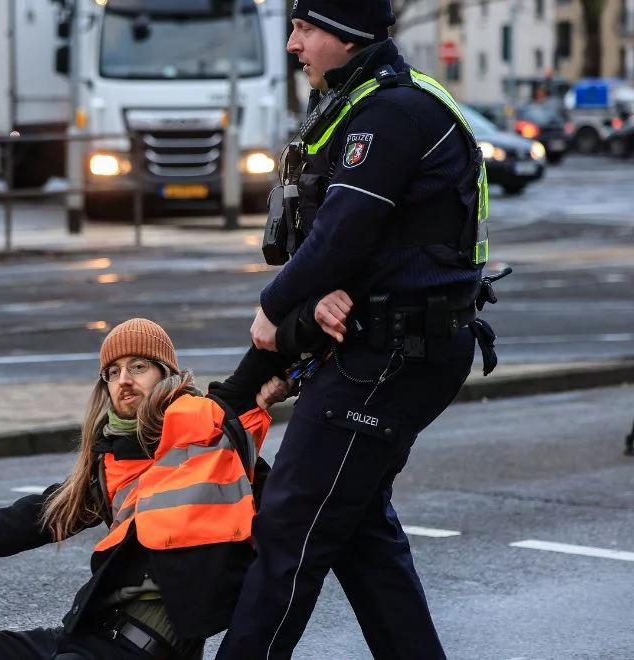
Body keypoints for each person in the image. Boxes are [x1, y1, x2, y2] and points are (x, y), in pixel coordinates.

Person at [218, 1, 498, 658]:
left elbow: (341, 237)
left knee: (292, 522)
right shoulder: (367, 102)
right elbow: (367, 246)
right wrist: (286, 346)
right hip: (386, 345)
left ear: (345, 37)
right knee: (357, 528)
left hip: (393, 354)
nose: (292, 44)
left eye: (304, 28)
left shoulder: (391, 113)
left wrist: (271, 311)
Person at [0, 318, 296, 659]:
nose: (125, 380)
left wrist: (295, 307)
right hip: (85, 637)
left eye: (139, 366)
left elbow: (267, 347)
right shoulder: (107, 469)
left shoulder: (205, 426)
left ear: (166, 375)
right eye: (113, 372)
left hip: (142, 649)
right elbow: (12, 525)